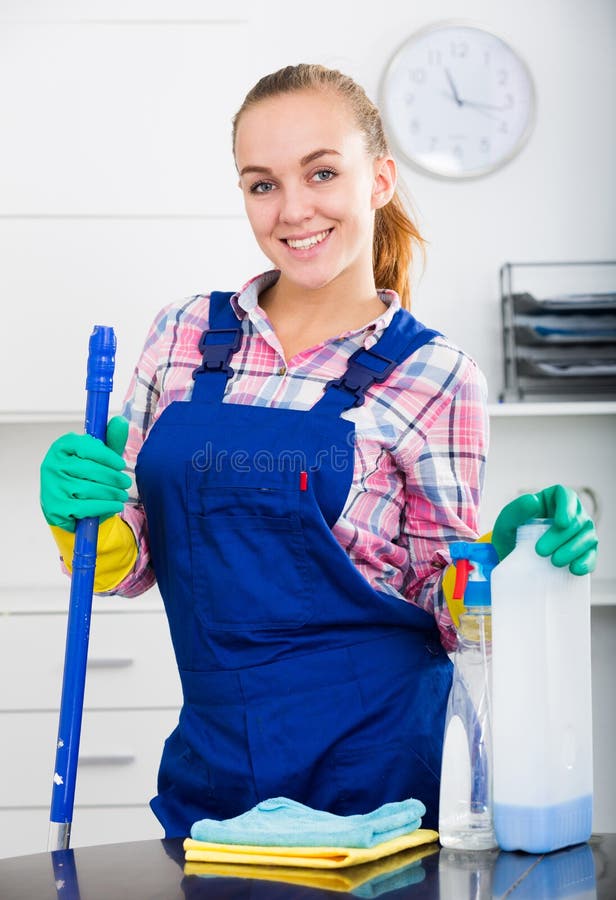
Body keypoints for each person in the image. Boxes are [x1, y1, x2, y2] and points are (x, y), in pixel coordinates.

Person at [40, 64, 598, 837]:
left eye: (322, 173)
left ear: (380, 180)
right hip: (215, 778)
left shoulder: (436, 376)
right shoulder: (183, 335)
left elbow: (447, 610)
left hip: (380, 785)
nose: (292, 209)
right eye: (261, 184)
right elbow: (132, 561)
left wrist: (499, 564)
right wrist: (85, 523)